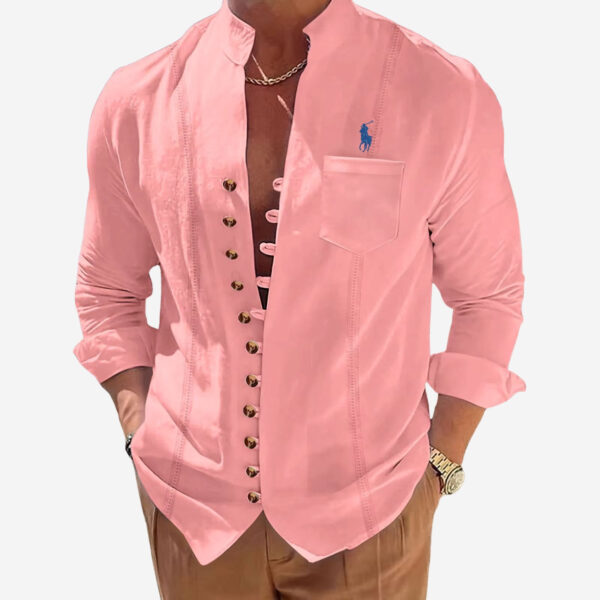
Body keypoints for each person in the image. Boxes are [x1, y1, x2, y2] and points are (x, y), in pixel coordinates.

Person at [72, 0, 526, 597]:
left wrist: (441, 464)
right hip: (191, 515)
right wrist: (139, 431)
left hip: (372, 514)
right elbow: (107, 290)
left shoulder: (438, 91)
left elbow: (488, 296)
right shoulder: (137, 100)